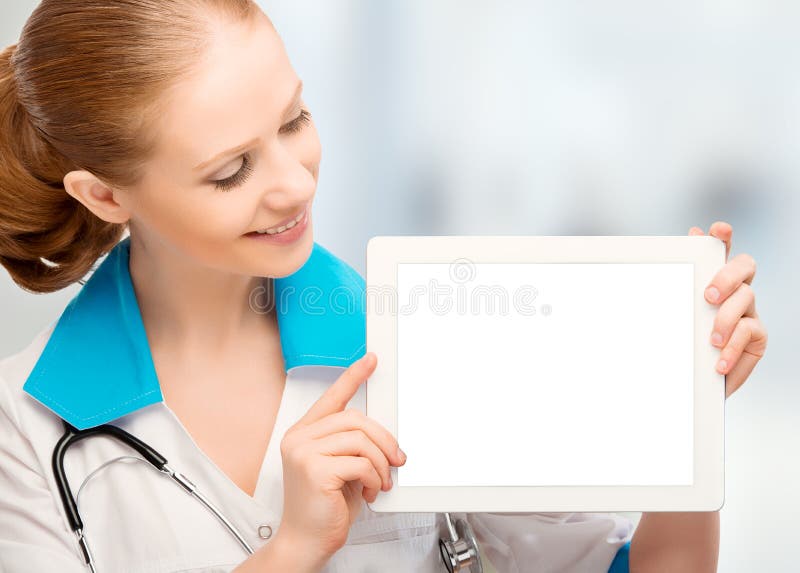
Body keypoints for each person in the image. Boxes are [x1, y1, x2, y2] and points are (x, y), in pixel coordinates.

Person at [0, 1, 768, 572]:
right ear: (104, 195)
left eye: (295, 119)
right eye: (232, 169)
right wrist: (297, 546)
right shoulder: (23, 431)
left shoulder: (427, 341)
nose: (296, 183)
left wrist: (688, 416)